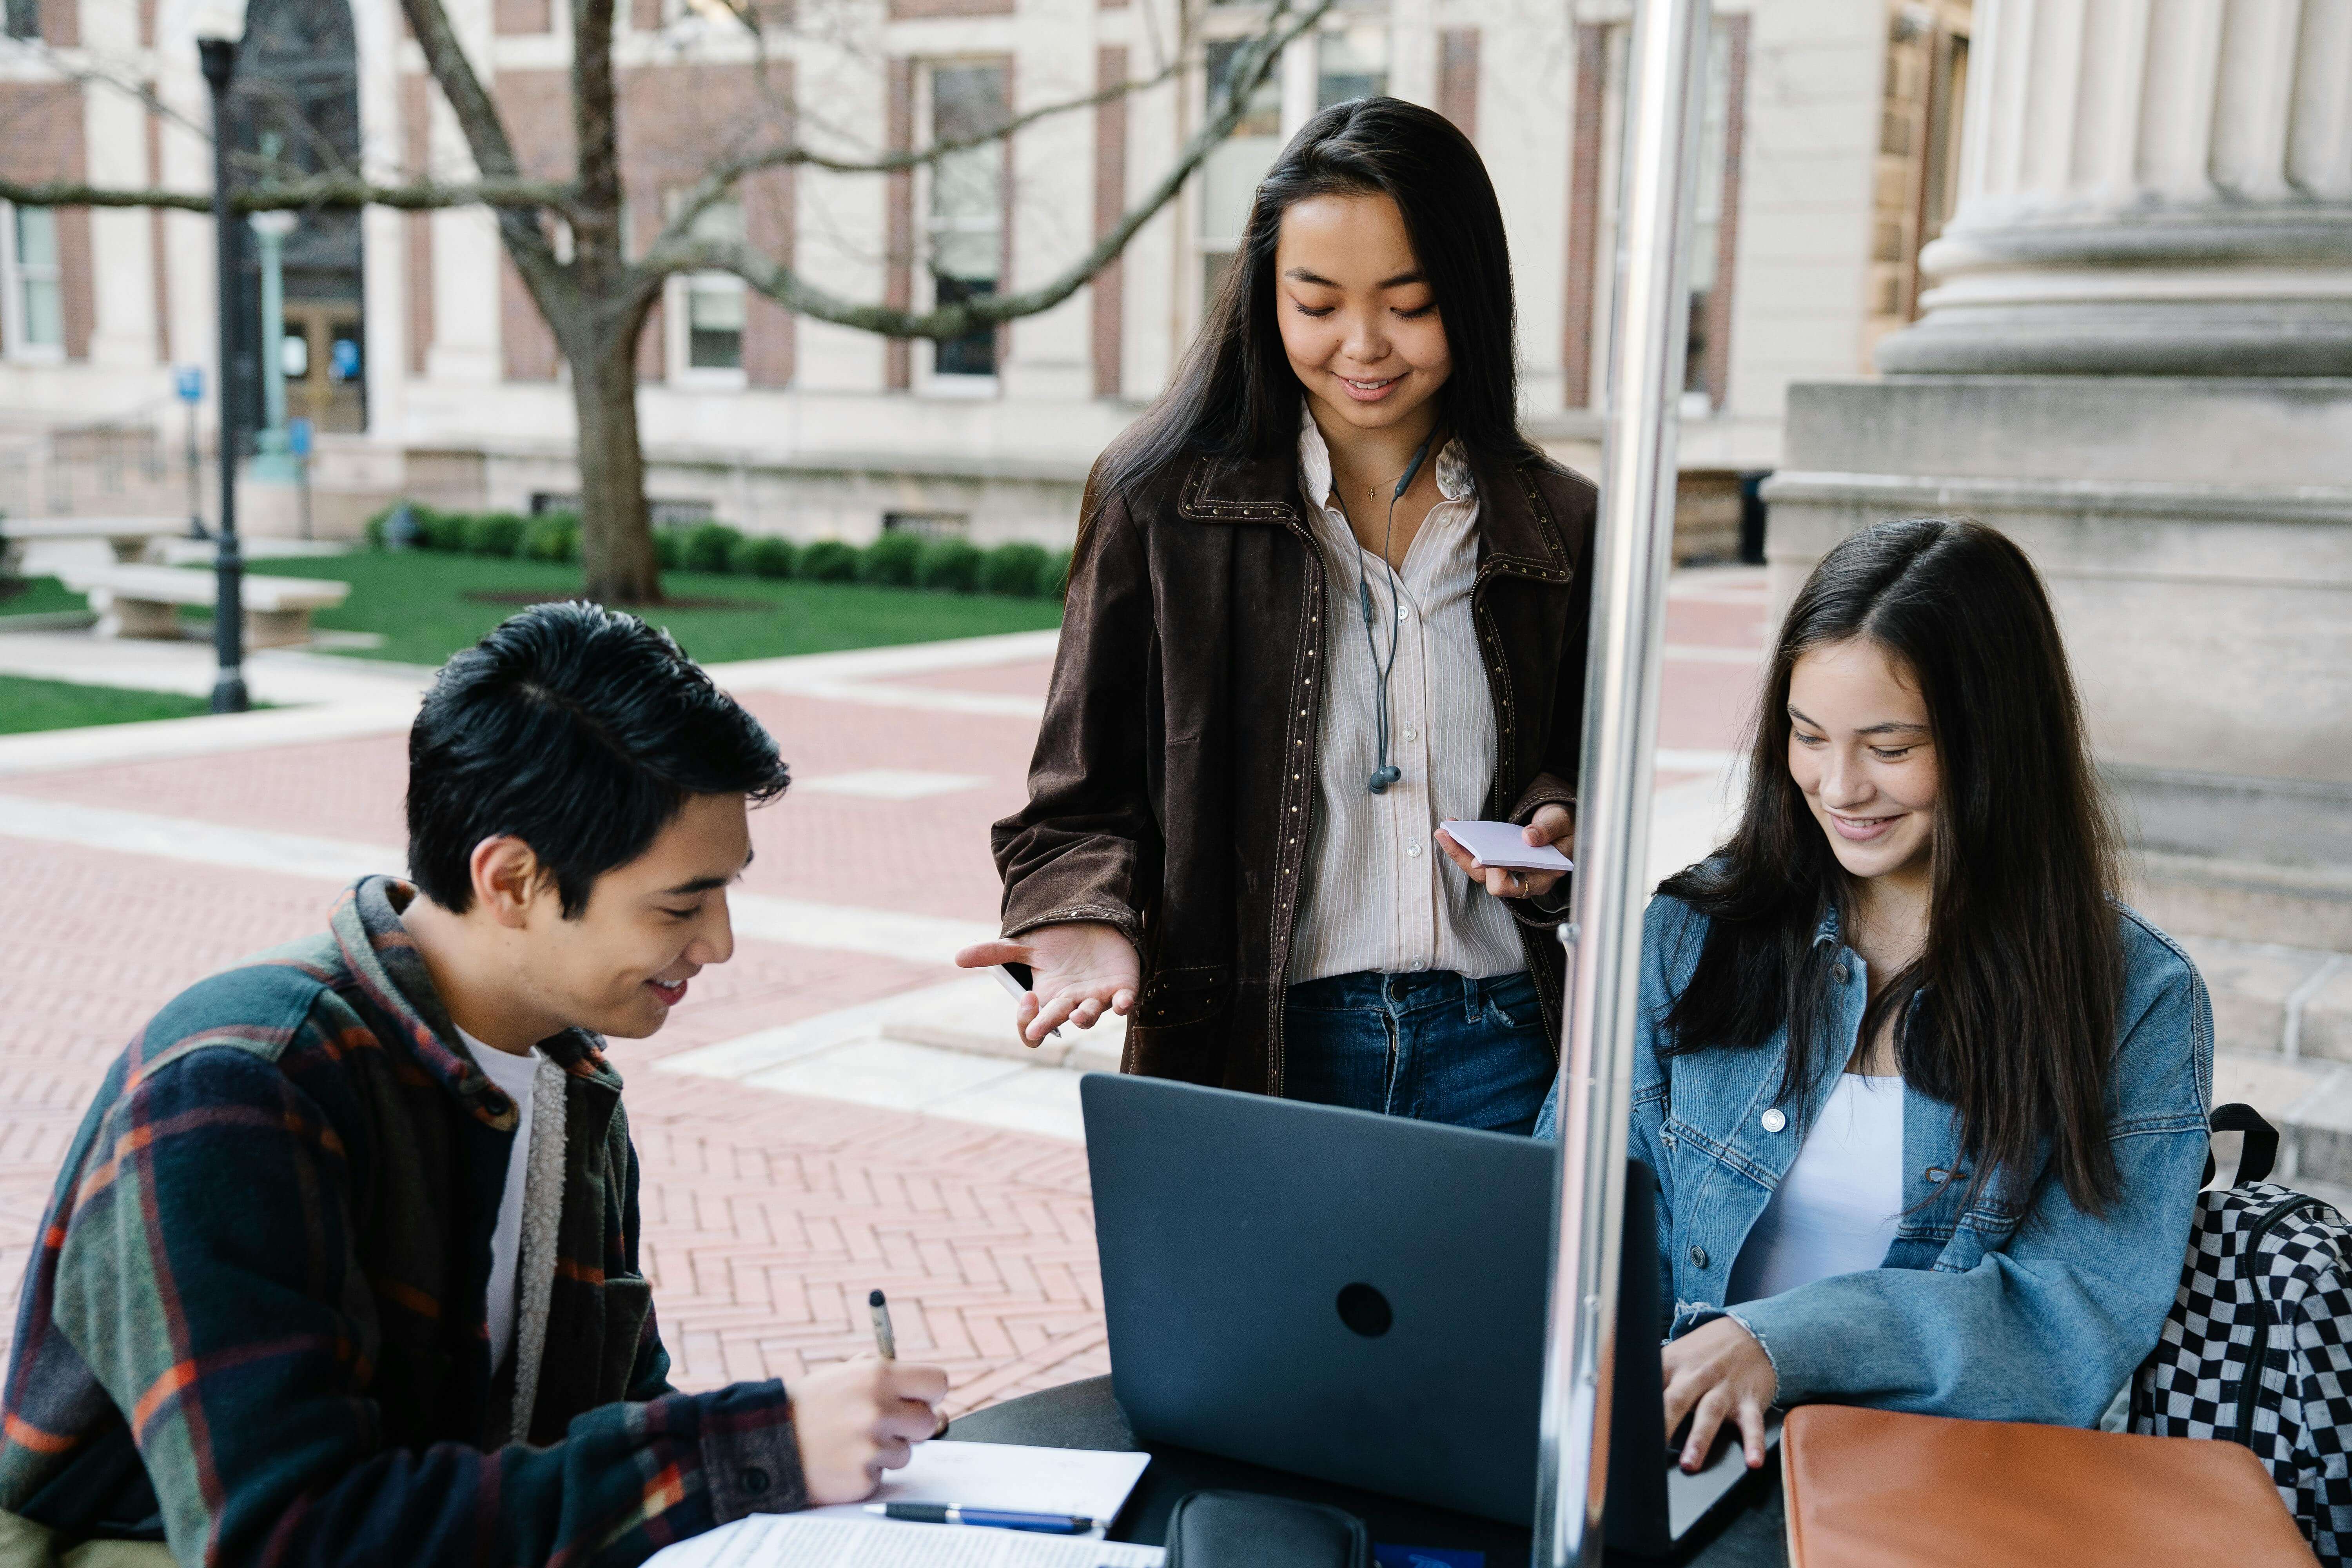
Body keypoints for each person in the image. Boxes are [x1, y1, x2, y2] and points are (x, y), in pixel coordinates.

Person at [0, 604, 947, 1563]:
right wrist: (744, 1448)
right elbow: (285, 1534)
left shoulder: (568, 1080)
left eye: (725, 891)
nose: (719, 943)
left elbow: (607, 1423)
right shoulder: (241, 1089)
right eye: (679, 903)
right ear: (511, 879)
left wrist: (819, 1450)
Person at [957, 97, 1597, 1133]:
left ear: (1472, 297)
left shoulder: (1561, 523)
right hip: (1254, 1047)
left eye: (1409, 303)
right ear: (1266, 300)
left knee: (1486, 1306)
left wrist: (1560, 818)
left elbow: (1583, 762)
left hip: (1507, 1045)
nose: (1364, 345)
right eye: (1317, 303)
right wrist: (1083, 917)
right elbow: (1076, 800)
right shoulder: (1157, 504)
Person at [1539, 518, 2210, 1472]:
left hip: (1934, 1472)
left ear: (1995, 742)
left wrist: (1781, 1342)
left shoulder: (2136, 995)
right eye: (1808, 736)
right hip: (1677, 1447)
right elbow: (1578, 1196)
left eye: (1890, 748)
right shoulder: (1695, 928)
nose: (1839, 785)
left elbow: (2075, 1313)